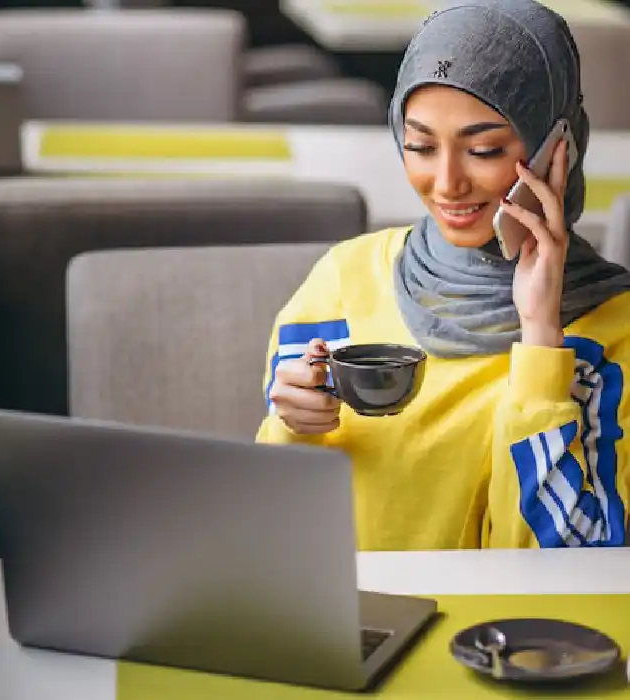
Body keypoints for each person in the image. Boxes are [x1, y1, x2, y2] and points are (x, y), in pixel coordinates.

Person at [256, 0, 630, 550]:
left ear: (559, 148)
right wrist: (291, 425)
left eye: (484, 149)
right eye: (421, 146)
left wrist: (542, 341)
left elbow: (578, 565)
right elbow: (270, 527)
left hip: (499, 631)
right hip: (346, 626)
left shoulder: (614, 333)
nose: (447, 183)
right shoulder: (341, 281)